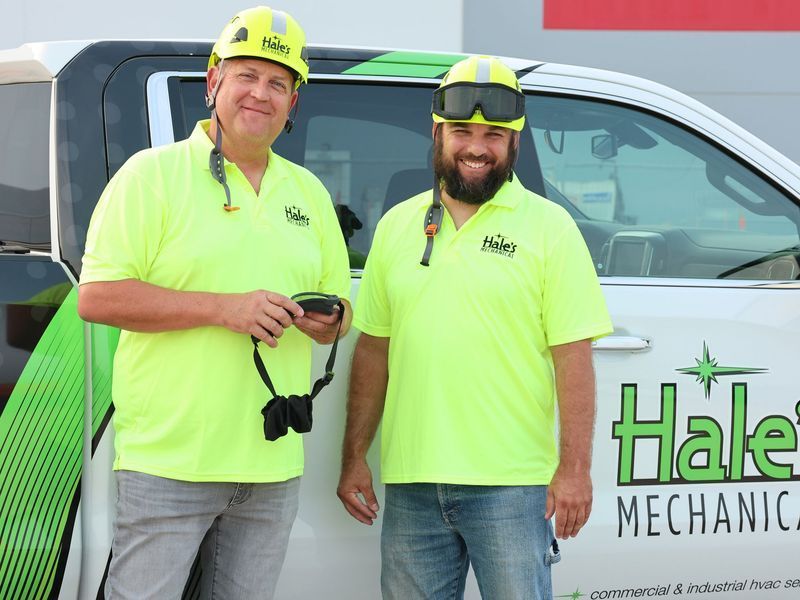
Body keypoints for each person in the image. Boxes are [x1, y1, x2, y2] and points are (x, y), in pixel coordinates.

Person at [77, 7, 351, 599]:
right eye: (246, 74)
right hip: (171, 461)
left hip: (272, 465)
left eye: (279, 82)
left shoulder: (309, 192)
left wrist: (328, 322)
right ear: (213, 82)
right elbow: (97, 297)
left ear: (293, 101)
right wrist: (225, 309)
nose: (261, 93)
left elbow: (340, 311)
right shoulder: (149, 176)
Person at [337, 55, 612, 599]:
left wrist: (574, 470)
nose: (477, 147)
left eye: (494, 134)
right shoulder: (397, 227)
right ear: (437, 133)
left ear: (514, 143)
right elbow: (373, 351)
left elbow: (573, 358)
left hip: (512, 489)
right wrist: (353, 459)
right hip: (412, 484)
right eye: (462, 131)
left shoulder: (550, 229)